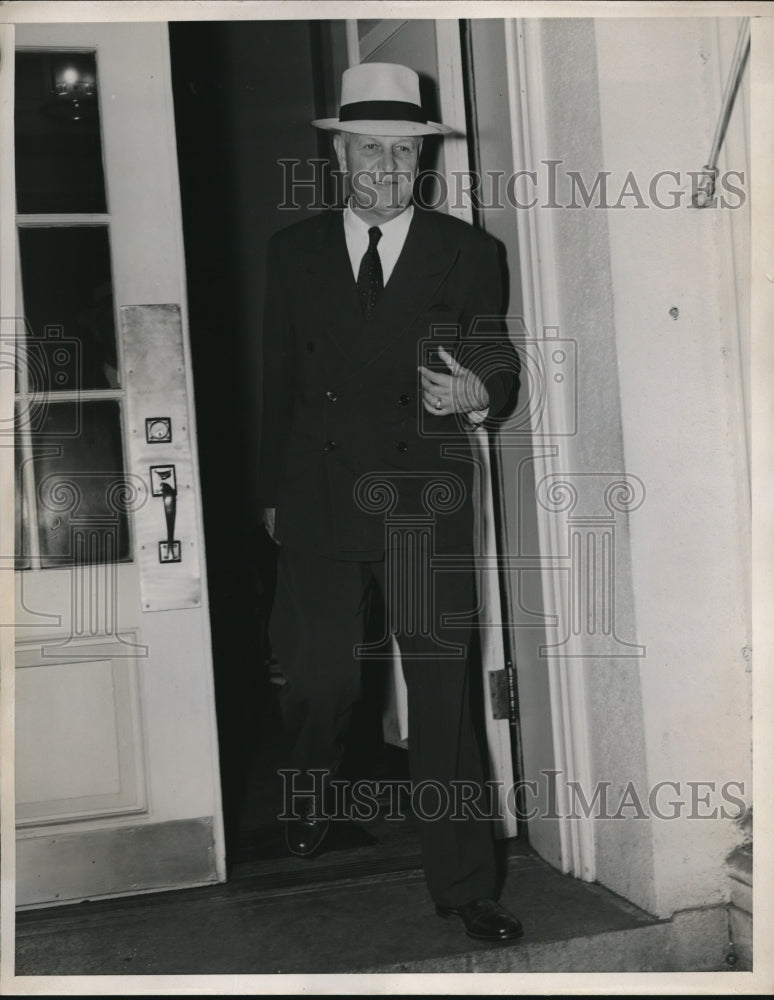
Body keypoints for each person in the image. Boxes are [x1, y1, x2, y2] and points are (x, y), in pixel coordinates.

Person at [259, 62, 522, 943]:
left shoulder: (468, 251)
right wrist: (270, 492)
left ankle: (465, 884)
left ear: (421, 161)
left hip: (424, 499)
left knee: (443, 694)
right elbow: (280, 383)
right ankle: (311, 792)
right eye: (367, 147)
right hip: (320, 495)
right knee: (320, 681)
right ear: (340, 156)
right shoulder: (292, 253)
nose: (384, 165)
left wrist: (473, 395)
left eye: (401, 151)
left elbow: (498, 361)